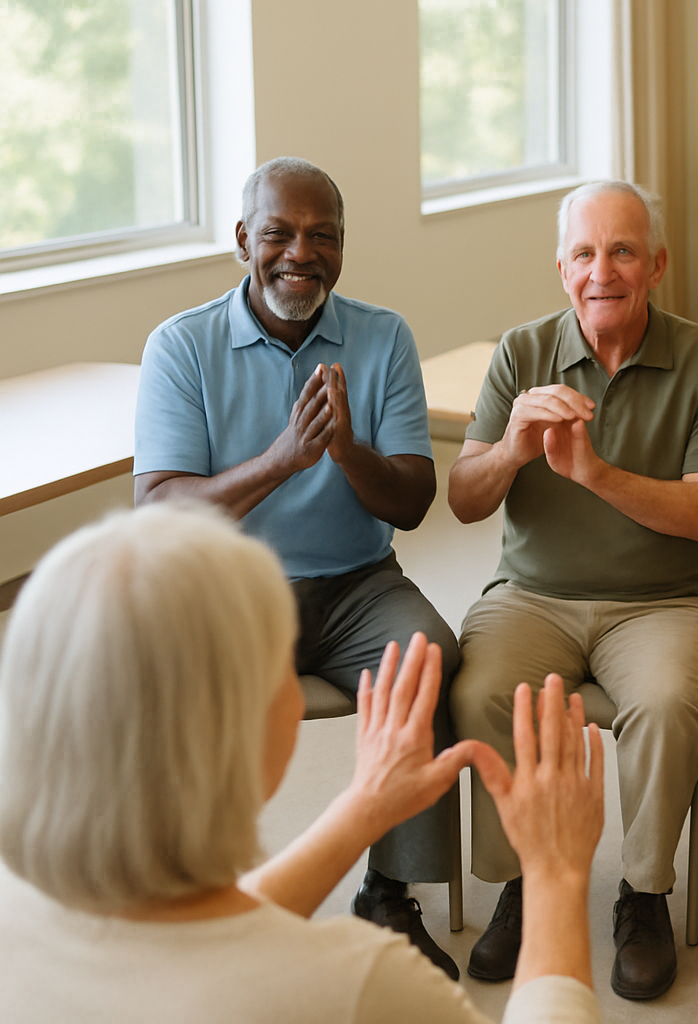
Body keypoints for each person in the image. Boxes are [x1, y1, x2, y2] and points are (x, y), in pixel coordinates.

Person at [0, 502, 606, 1023]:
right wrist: (555, 878)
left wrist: (362, 810)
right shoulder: (355, 982)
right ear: (232, 740)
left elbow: (200, 941)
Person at [133, 156, 464, 974]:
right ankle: (209, 892)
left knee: (426, 657)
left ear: (344, 246)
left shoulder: (383, 336)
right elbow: (161, 507)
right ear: (243, 239)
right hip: (233, 590)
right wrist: (283, 459)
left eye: (324, 236)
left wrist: (346, 450)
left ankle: (388, 894)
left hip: (359, 584)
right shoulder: (182, 344)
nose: (300, 253)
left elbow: (412, 502)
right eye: (278, 233)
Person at [447, 180, 698, 997]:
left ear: (657, 265)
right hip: (531, 596)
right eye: (584, 253)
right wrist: (511, 448)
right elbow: (465, 500)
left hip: (664, 602)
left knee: (666, 703)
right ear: (561, 268)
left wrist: (597, 474)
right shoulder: (520, 352)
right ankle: (526, 880)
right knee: (477, 692)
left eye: (622, 252)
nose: (601, 272)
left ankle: (643, 894)